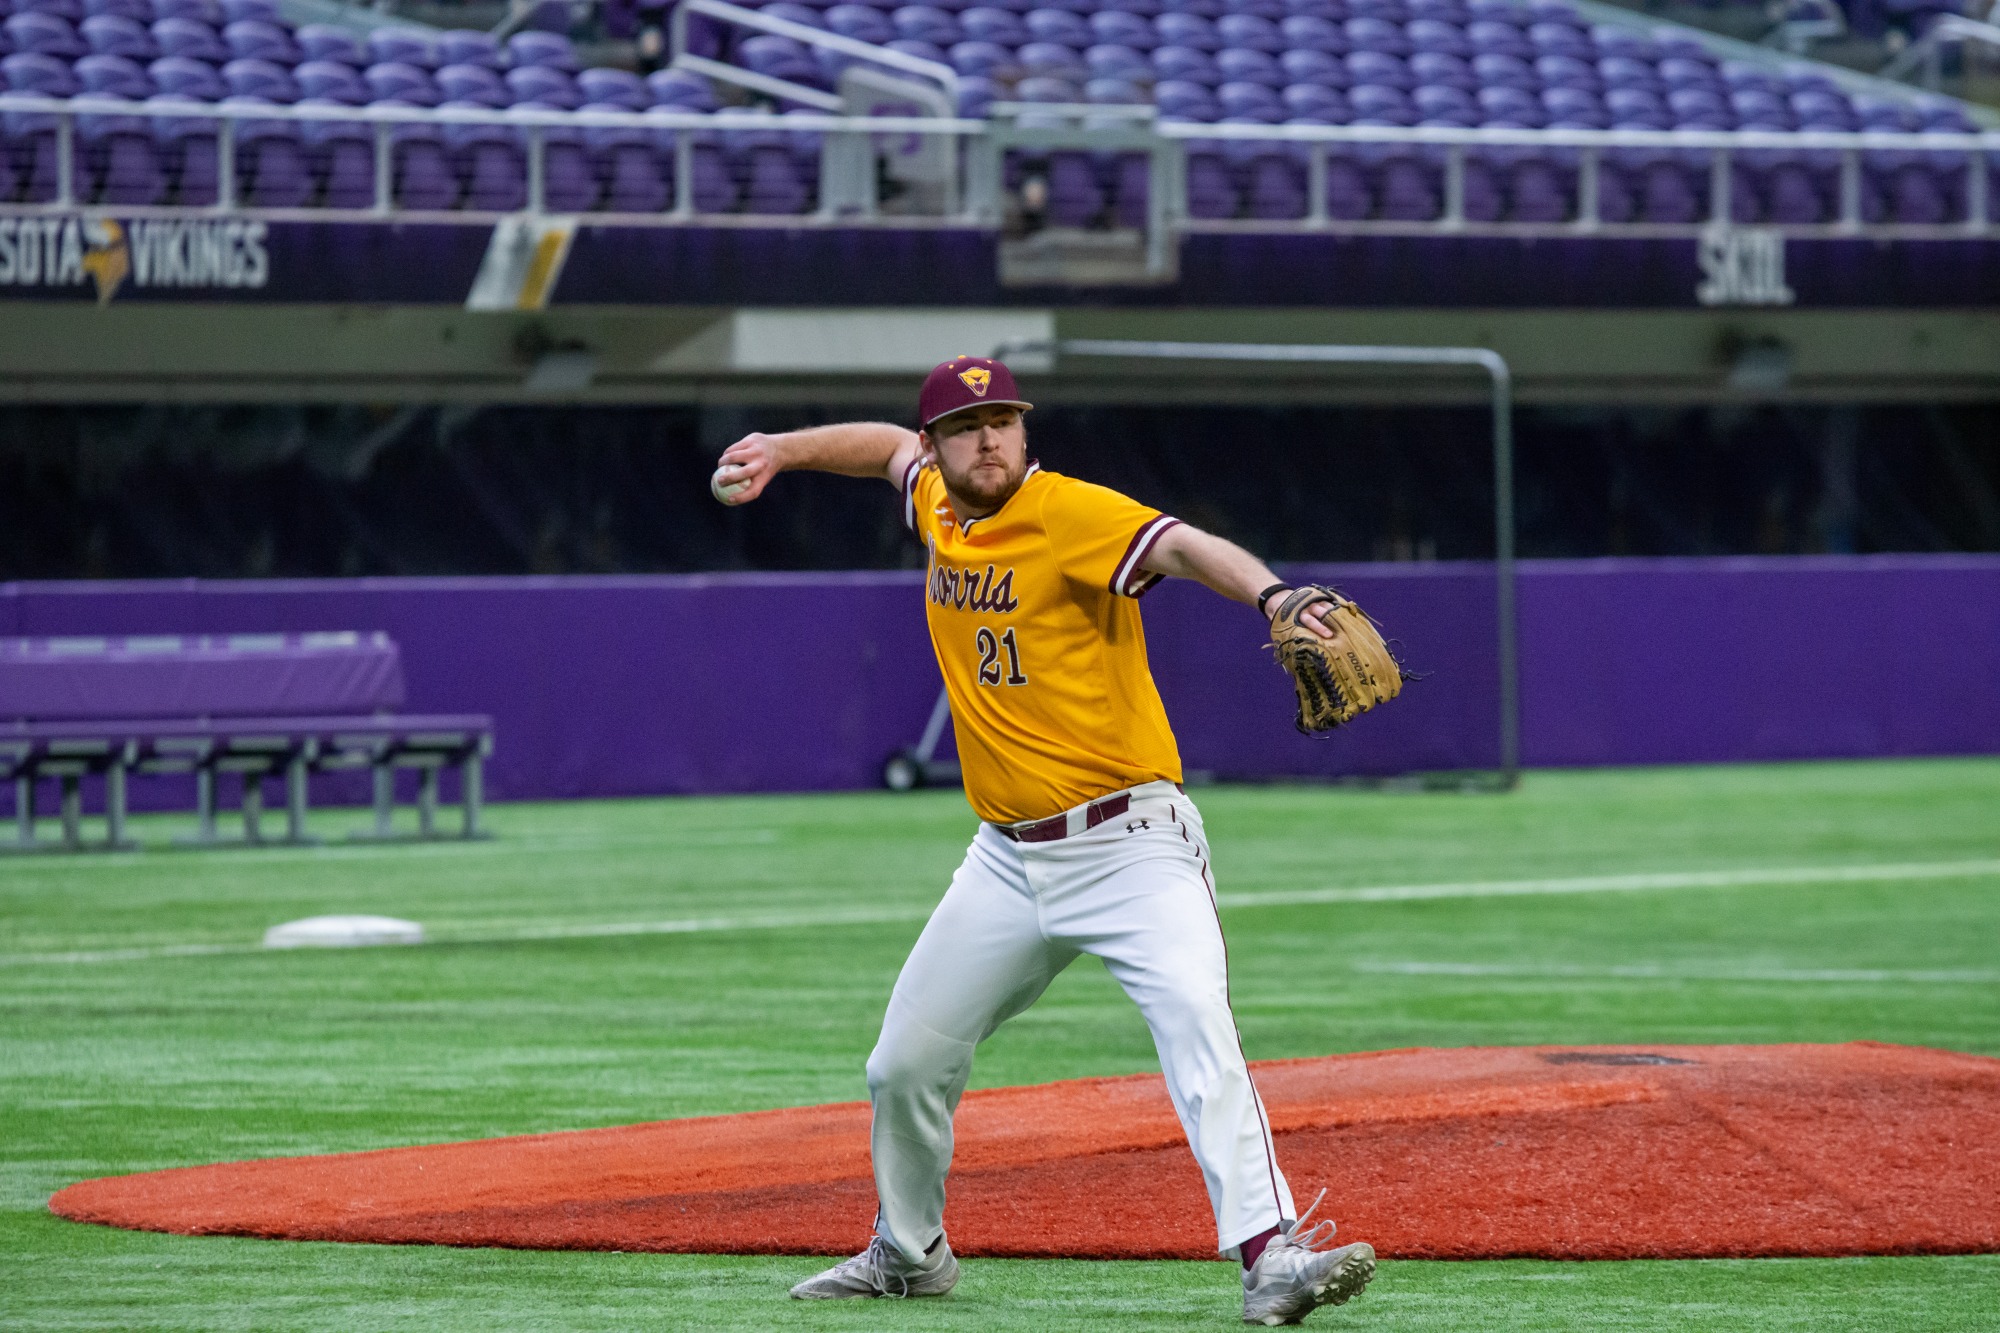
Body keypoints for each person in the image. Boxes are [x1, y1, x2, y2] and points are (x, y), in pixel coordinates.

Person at [712, 356, 1375, 1325]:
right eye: (967, 424)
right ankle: (908, 1250)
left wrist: (1273, 596)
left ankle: (1271, 1256)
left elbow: (1185, 547)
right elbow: (884, 451)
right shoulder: (935, 500)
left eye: (1004, 420)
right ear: (940, 443)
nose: (988, 438)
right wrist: (781, 448)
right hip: (1007, 861)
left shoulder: (1068, 512)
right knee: (902, 1062)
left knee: (1195, 1022)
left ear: (1026, 433)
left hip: (1130, 842)